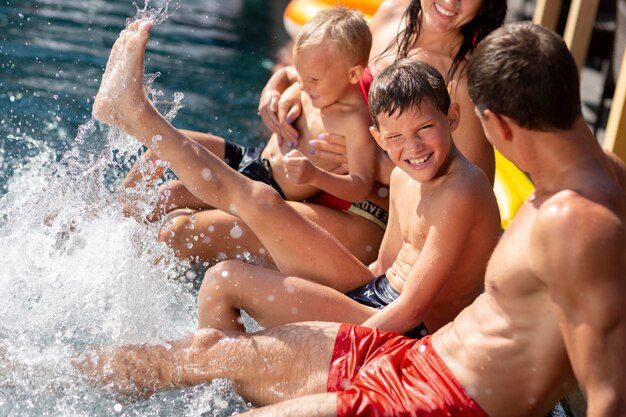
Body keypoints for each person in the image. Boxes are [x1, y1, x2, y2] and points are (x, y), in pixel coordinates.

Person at [76, 21, 626, 417]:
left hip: (427, 384)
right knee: (210, 354)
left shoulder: (573, 224)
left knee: (221, 355)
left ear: (494, 126)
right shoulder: (595, 185)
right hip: (410, 358)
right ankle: (57, 373)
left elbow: (607, 394)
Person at [195, 58, 501, 335]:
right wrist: (319, 292)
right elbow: (381, 267)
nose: (414, 147)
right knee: (224, 276)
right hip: (379, 302)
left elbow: (412, 310)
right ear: (379, 139)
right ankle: (234, 388)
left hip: (415, 336)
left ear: (453, 118)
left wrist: (330, 343)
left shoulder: (463, 188)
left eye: (425, 128)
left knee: (226, 283)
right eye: (395, 136)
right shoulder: (401, 176)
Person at [122, 7, 384, 265]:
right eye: (302, 75)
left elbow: (360, 186)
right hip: (252, 159)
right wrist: (272, 88)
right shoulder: (322, 82)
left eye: (311, 79)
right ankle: (116, 215)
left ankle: (137, 259)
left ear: (353, 74)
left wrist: (316, 176)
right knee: (162, 148)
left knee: (172, 193)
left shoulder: (353, 123)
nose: (302, 85)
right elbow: (287, 73)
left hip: (267, 190)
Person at [261, 0, 507, 184]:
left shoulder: (462, 81)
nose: (451, 2)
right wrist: (288, 84)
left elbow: (472, 187)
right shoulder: (391, 12)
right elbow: (343, 70)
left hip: (360, 204)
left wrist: (373, 166)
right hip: (287, 172)